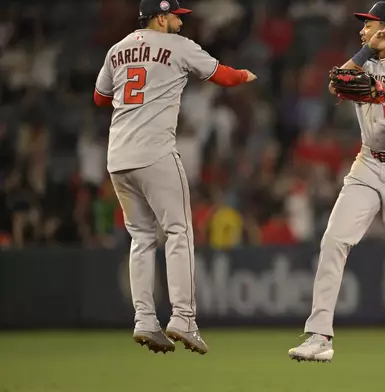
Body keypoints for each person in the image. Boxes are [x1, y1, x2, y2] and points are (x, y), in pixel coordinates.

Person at [287, 2, 385, 391]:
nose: (362, 30)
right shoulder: (366, 61)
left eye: (369, 25)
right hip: (368, 162)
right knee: (334, 237)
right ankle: (320, 336)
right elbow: (335, 82)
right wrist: (365, 54)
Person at [93, 0, 256, 354]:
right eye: (175, 18)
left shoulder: (117, 49)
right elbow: (223, 77)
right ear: (160, 17)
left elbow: (99, 98)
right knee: (179, 231)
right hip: (156, 153)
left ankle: (144, 320)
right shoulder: (177, 46)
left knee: (141, 238)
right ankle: (183, 317)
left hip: (119, 157)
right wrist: (246, 75)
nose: (180, 24)